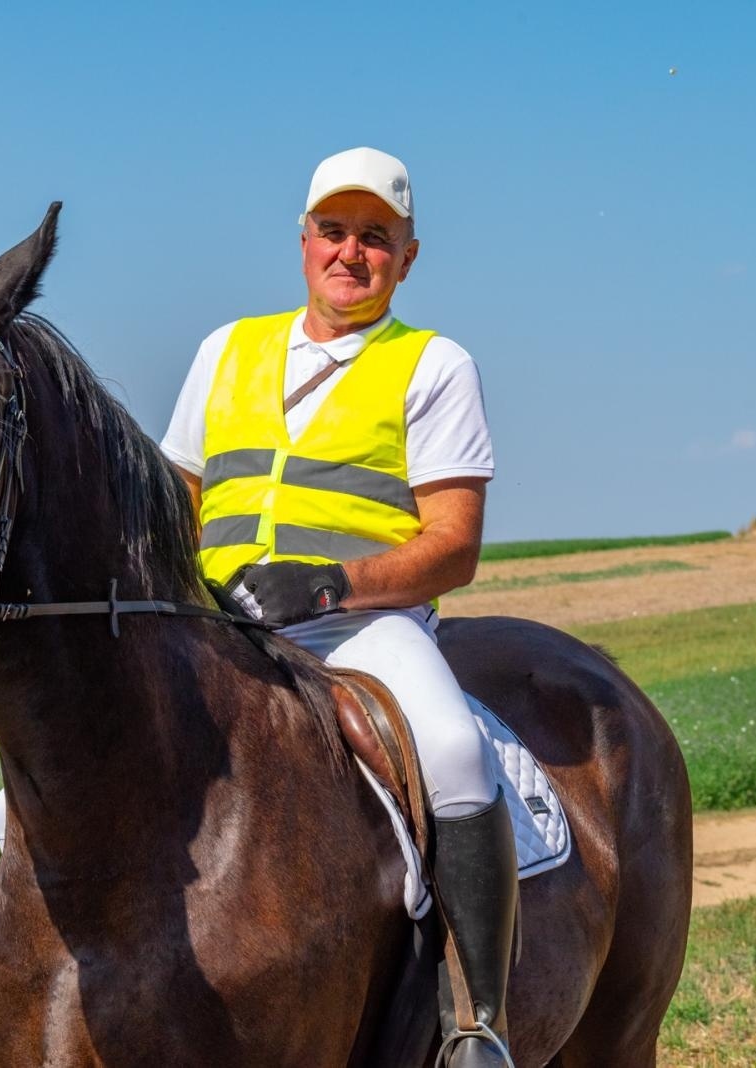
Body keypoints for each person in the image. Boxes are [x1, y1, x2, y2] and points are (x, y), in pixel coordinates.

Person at [159, 147, 518, 1068]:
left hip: (360, 626)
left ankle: (477, 1024)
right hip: (220, 620)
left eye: (375, 238)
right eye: (333, 231)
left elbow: (455, 544)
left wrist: (332, 582)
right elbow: (177, 496)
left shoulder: (434, 365)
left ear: (407, 257)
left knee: (452, 748)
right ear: (304, 239)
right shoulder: (224, 349)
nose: (349, 252)